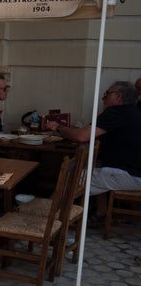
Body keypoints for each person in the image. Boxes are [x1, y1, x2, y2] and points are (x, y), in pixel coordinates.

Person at [47, 81, 141, 224]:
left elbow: (81, 136)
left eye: (107, 94)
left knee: (72, 178)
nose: (103, 98)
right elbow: (85, 132)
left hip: (131, 175)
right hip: (131, 172)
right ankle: (101, 212)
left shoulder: (118, 112)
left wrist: (58, 128)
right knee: (95, 168)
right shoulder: (131, 111)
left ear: (119, 97)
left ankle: (48, 219)